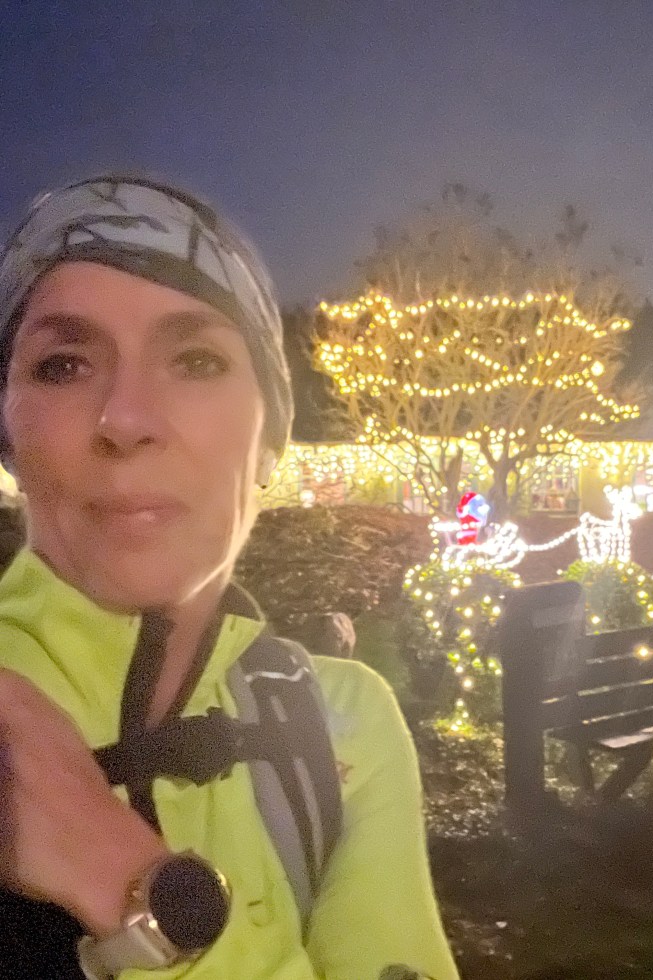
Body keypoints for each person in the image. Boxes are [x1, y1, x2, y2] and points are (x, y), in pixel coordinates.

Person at [0, 174, 459, 980]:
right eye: (64, 365)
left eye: (197, 359)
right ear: (8, 433)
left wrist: (121, 878)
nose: (126, 419)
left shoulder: (343, 721)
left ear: (271, 440)